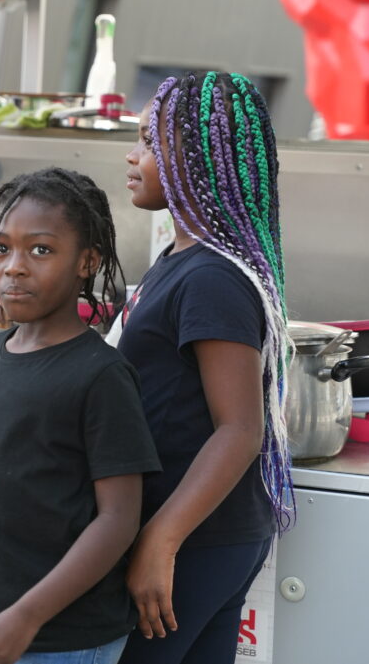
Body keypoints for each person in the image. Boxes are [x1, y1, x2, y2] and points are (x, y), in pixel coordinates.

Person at [0, 168, 161, 664]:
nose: (14, 267)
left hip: (69, 637)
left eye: (40, 250)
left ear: (88, 261)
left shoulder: (101, 375)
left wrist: (29, 615)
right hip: (13, 626)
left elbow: (118, 519)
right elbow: (13, 488)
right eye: (1, 248)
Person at [116, 71, 292, 664]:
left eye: (148, 141)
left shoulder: (213, 277)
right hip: (200, 533)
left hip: (196, 538)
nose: (132, 155)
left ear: (196, 160)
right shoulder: (181, 254)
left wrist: (161, 540)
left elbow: (240, 429)